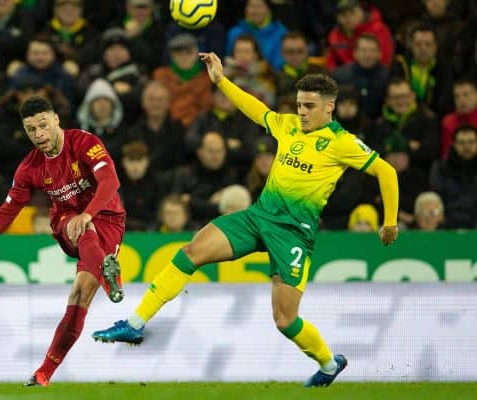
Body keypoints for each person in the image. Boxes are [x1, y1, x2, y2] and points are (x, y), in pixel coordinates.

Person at [93, 52, 400, 388]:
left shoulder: (342, 143)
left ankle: (328, 365)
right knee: (191, 252)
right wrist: (222, 81)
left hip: (293, 234)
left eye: (309, 106)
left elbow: (385, 171)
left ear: (329, 107)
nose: (301, 112)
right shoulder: (288, 126)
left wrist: (389, 222)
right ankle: (135, 324)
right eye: (299, 104)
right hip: (258, 217)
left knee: (285, 320)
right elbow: (257, 110)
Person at [0, 96, 127, 387]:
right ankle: (107, 268)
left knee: (79, 295)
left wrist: (89, 214)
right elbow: (7, 212)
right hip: (67, 221)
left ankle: (44, 372)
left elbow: (110, 182)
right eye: (31, 129)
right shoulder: (29, 168)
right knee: (79, 227)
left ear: (56, 120)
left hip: (108, 218)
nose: (38, 134)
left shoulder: (85, 142)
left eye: (43, 125)